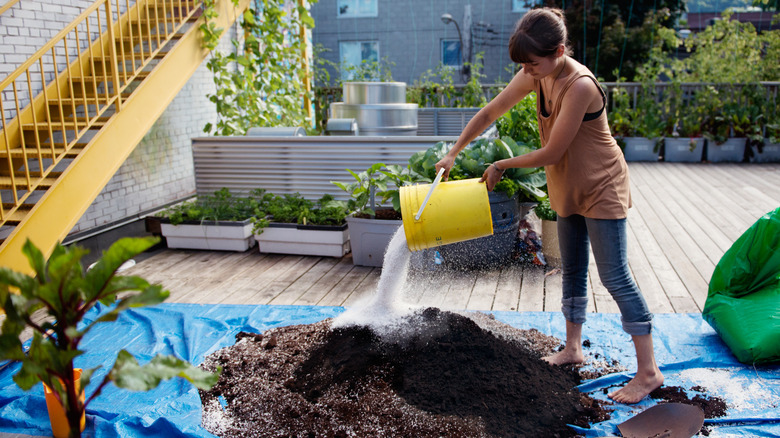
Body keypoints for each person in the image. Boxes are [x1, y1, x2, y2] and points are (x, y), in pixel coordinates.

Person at [435, 7, 663, 404]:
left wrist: (502, 164)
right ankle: (572, 347)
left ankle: (649, 371)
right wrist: (454, 151)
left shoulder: (579, 86)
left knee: (614, 276)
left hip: (600, 185)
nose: (528, 71)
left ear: (559, 50)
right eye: (523, 64)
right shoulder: (535, 73)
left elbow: (553, 150)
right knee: (571, 269)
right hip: (567, 184)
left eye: (533, 63)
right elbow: (491, 111)